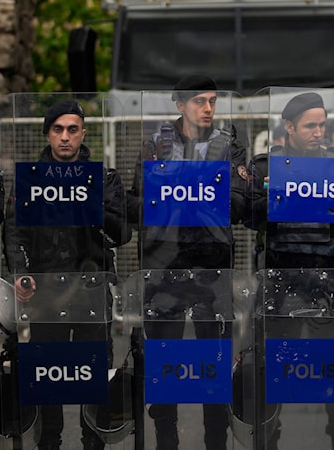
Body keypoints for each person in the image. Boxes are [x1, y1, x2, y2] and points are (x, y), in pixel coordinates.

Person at [245, 91, 334, 450]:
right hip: (281, 285)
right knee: (274, 378)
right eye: (310, 126)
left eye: (321, 125)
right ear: (289, 128)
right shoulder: (266, 167)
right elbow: (248, 216)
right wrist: (275, 196)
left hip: (330, 286)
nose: (318, 132)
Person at [4, 99, 130, 450]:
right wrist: (19, 273)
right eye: (57, 130)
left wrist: (91, 200)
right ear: (47, 134)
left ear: (83, 133)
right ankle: (50, 443)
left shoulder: (104, 178)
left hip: (91, 291)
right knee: (48, 377)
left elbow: (122, 234)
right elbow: (14, 232)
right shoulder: (29, 179)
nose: (65, 137)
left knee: (93, 377)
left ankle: (94, 443)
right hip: (45, 293)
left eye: (72, 130)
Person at [131, 75, 248, 450]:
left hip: (212, 268)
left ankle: (216, 441)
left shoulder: (228, 145)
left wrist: (191, 195)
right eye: (199, 101)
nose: (209, 108)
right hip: (165, 266)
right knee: (166, 367)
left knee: (212, 369)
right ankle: (167, 440)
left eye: (213, 100)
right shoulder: (156, 146)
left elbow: (242, 203)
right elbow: (139, 204)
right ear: (180, 106)